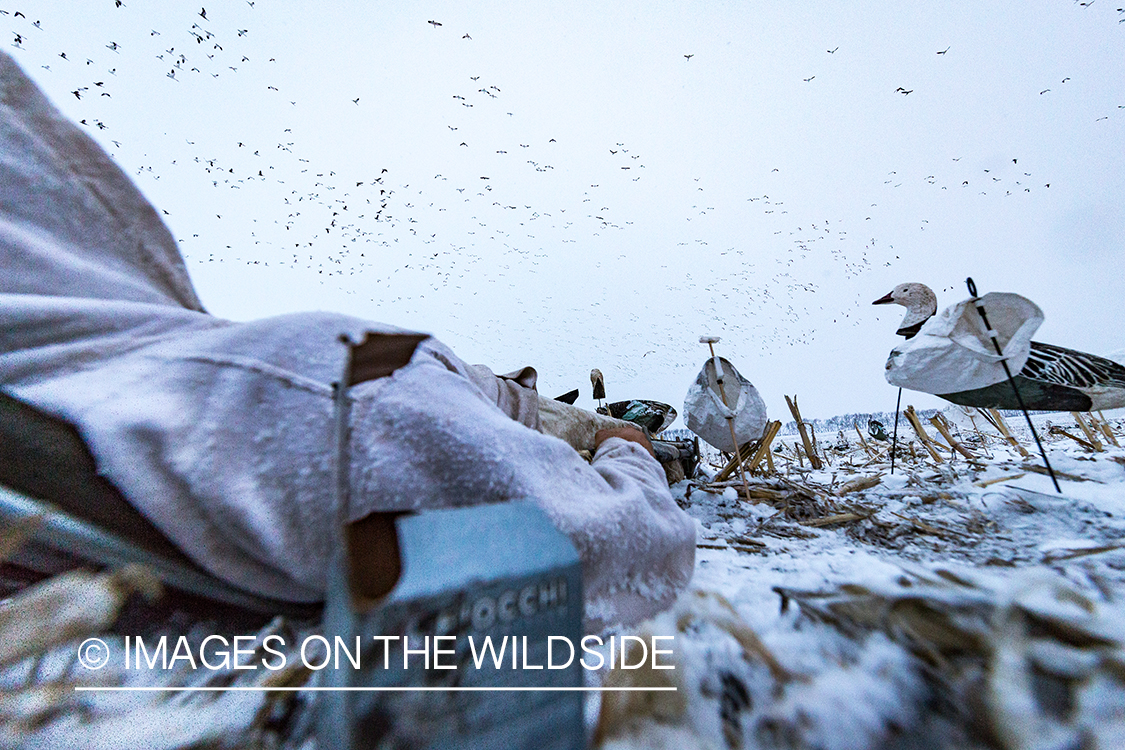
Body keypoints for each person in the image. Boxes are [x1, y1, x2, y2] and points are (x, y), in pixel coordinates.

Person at [0, 52, 694, 631]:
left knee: (498, 396)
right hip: (405, 395)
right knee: (527, 408)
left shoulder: (66, 349)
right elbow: (624, 546)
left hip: (428, 393)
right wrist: (630, 461)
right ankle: (624, 429)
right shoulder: (342, 396)